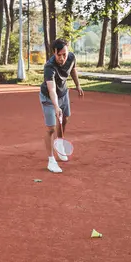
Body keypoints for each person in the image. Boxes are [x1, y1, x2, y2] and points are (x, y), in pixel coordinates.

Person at [39, 38, 84, 173]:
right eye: (59, 55)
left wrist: (78, 85)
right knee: (51, 128)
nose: (62, 58)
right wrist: (56, 106)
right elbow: (51, 89)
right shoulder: (49, 67)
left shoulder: (71, 57)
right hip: (48, 97)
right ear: (54, 53)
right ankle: (51, 160)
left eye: (64, 54)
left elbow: (73, 69)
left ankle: (60, 143)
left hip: (64, 94)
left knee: (65, 120)